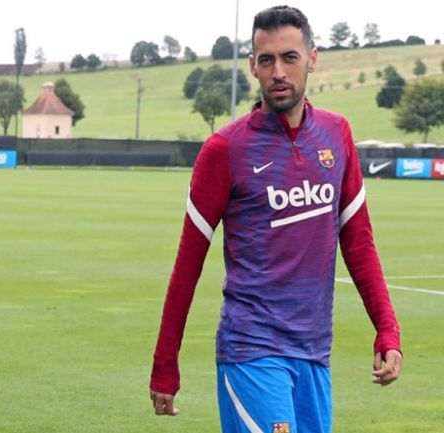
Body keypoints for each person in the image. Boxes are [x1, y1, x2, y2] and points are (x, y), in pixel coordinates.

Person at [149, 6, 402, 433]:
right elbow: (187, 266)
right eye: (266, 60)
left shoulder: (336, 135)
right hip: (251, 351)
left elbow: (358, 242)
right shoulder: (225, 150)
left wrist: (387, 329)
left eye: (290, 57)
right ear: (252, 66)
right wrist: (164, 365)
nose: (278, 71)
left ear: (313, 59)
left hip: (314, 353)